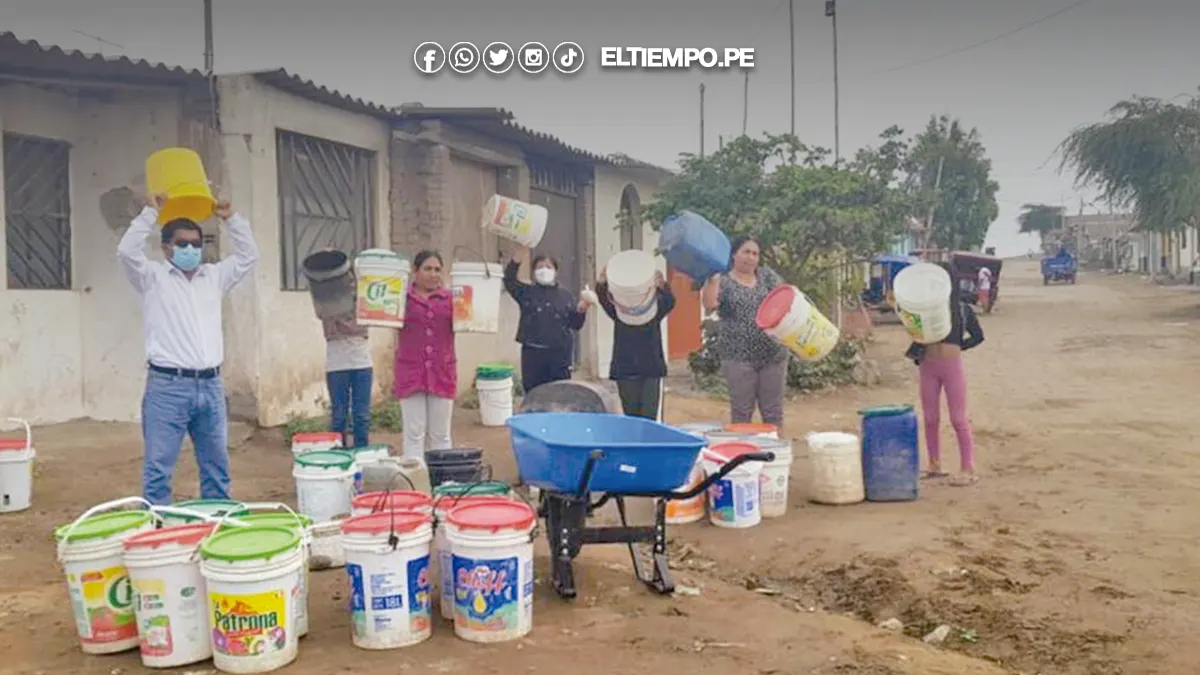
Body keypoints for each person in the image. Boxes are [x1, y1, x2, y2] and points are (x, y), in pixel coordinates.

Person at [117, 195, 259, 505]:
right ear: (166, 247)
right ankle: (159, 532)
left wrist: (230, 218)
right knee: (158, 467)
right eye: (183, 244)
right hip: (168, 387)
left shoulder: (214, 277)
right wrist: (151, 213)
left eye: (197, 244)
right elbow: (127, 251)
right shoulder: (152, 277)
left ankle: (217, 521)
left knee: (216, 465)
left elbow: (249, 256)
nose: (191, 250)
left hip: (210, 386)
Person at [905, 262, 984, 487]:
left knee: (958, 418)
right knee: (930, 418)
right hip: (929, 366)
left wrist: (958, 346)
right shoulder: (925, 310)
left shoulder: (962, 310)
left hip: (950, 366)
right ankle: (934, 463)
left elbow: (979, 336)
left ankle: (968, 467)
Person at [701, 236, 789, 428]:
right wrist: (712, 280)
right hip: (738, 358)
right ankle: (743, 455)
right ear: (734, 255)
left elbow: (786, 297)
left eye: (755, 253)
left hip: (773, 355)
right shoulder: (722, 281)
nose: (751, 257)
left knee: (773, 412)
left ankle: (775, 456)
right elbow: (709, 305)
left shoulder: (767, 276)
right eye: (746, 252)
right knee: (742, 413)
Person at [394, 250, 456, 459]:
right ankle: (415, 484)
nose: (433, 274)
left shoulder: (452, 299)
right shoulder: (401, 298)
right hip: (411, 372)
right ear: (415, 271)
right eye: (427, 269)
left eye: (438, 269)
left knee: (440, 434)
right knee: (414, 433)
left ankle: (442, 483)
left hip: (442, 372)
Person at [503, 247, 592, 392]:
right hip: (533, 355)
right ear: (533, 272)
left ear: (556, 272)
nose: (544, 270)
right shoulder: (526, 293)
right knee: (534, 395)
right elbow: (509, 280)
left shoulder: (566, 296)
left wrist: (582, 308)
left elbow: (576, 324)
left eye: (548, 267)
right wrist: (518, 257)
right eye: (539, 267)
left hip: (560, 357)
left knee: (558, 396)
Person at [595, 265, 676, 420]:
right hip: (626, 368)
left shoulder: (654, 311)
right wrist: (602, 283)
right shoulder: (619, 313)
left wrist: (662, 286)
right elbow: (604, 299)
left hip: (651, 368)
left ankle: (647, 444)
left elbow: (670, 302)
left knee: (649, 416)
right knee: (631, 416)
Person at [322, 311, 372, 448]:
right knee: (339, 415)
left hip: (362, 361)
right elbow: (322, 312)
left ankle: (361, 454)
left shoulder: (363, 295)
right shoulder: (327, 297)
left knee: (362, 415)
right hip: (336, 362)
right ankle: (339, 457)